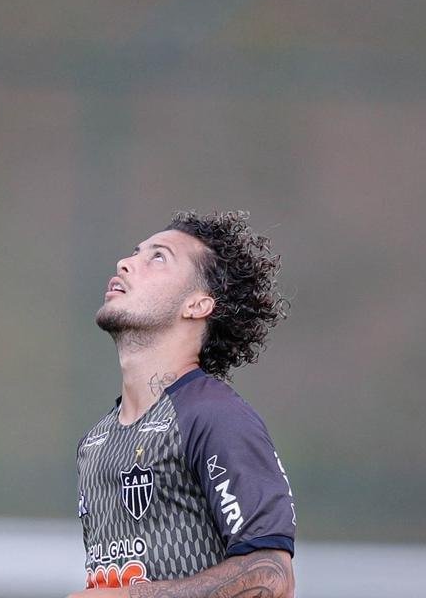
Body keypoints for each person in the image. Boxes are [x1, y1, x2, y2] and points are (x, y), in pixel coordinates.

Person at [69, 210, 296, 598]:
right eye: (135, 253)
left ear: (197, 305)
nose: (125, 263)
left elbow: (271, 580)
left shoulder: (215, 416)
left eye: (157, 257)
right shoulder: (96, 442)